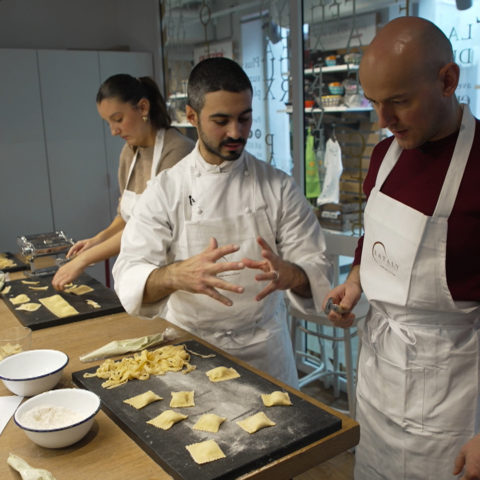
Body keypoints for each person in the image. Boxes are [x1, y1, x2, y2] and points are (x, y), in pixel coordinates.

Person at [322, 16, 480, 480]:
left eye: (398, 102)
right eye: (374, 103)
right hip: (380, 380)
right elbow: (375, 235)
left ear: (447, 80)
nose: (383, 120)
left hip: (453, 402)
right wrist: (355, 284)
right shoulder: (384, 156)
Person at [112, 57, 332, 388]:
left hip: (265, 353)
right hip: (191, 353)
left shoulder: (278, 187)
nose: (236, 132)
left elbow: (317, 269)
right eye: (221, 121)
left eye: (244, 119)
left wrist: (293, 275)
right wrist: (175, 275)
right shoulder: (166, 190)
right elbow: (129, 273)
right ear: (191, 116)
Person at [52, 74, 194, 290]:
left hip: (172, 275)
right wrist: (96, 240)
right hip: (140, 274)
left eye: (118, 119)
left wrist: (85, 259)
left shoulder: (177, 152)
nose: (113, 130)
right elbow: (126, 217)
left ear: (143, 108)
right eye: (108, 122)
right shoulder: (129, 153)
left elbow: (150, 227)